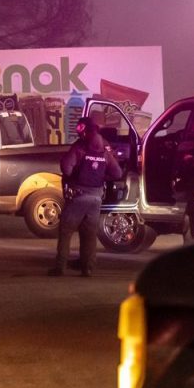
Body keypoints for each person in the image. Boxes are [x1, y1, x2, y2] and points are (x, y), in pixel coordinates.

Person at [50, 116, 122, 277]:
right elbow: (117, 173)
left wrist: (73, 175)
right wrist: (102, 177)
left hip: (79, 195)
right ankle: (87, 268)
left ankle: (60, 267)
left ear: (85, 130)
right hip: (96, 197)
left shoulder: (80, 146)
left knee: (66, 231)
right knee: (89, 235)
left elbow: (67, 169)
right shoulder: (105, 149)